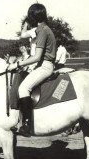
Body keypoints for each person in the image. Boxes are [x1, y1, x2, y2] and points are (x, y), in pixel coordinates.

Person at [8, 3, 56, 137]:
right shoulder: (42, 28)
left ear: (33, 16)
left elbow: (37, 57)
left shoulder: (42, 30)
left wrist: (17, 64)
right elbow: (23, 35)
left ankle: (27, 124)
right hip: (42, 65)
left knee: (23, 88)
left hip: (44, 66)